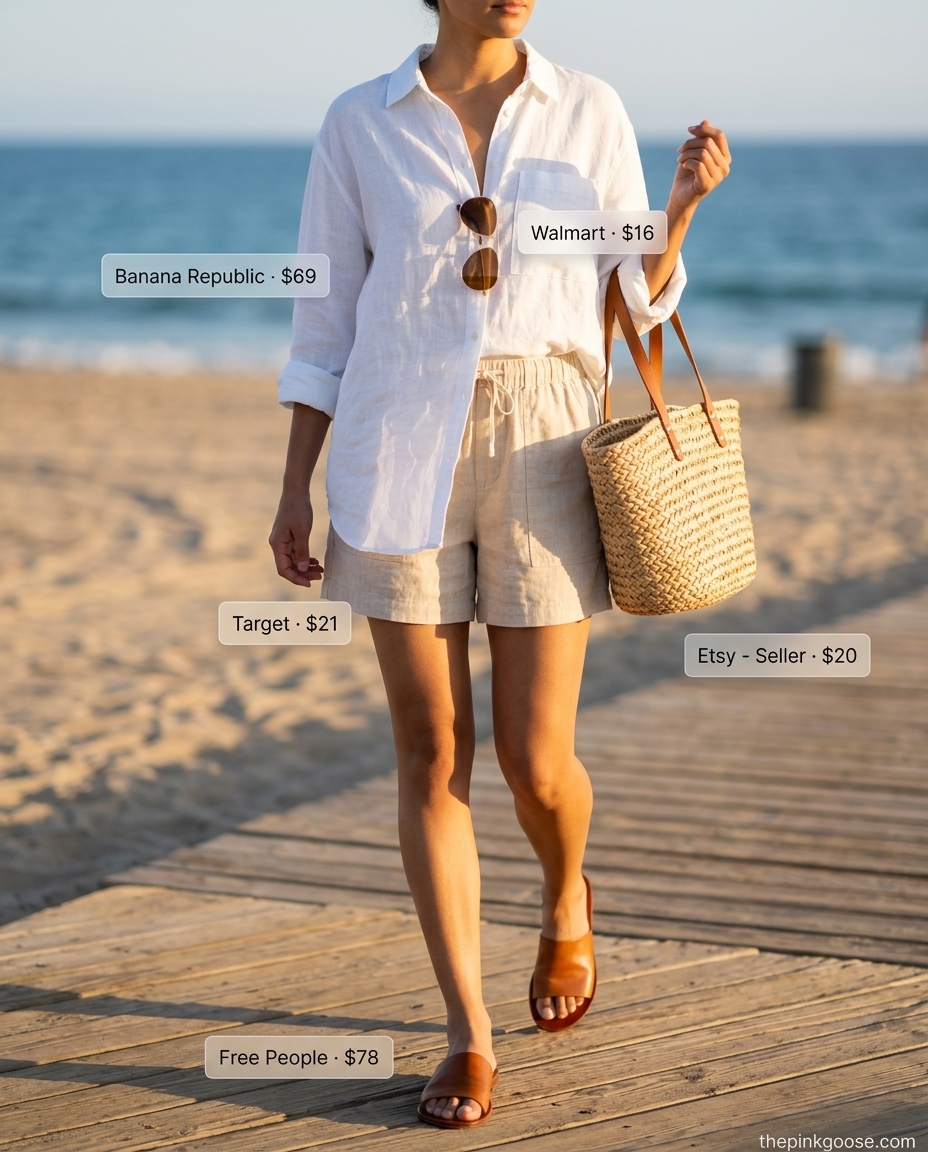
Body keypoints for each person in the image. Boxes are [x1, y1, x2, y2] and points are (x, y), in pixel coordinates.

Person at [270, 0, 730, 1129]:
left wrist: (677, 211)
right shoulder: (359, 123)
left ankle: (567, 896)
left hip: (546, 439)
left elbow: (633, 295)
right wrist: (294, 485)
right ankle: (468, 1035)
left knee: (534, 758)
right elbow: (324, 320)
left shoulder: (587, 107)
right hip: (395, 442)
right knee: (432, 753)